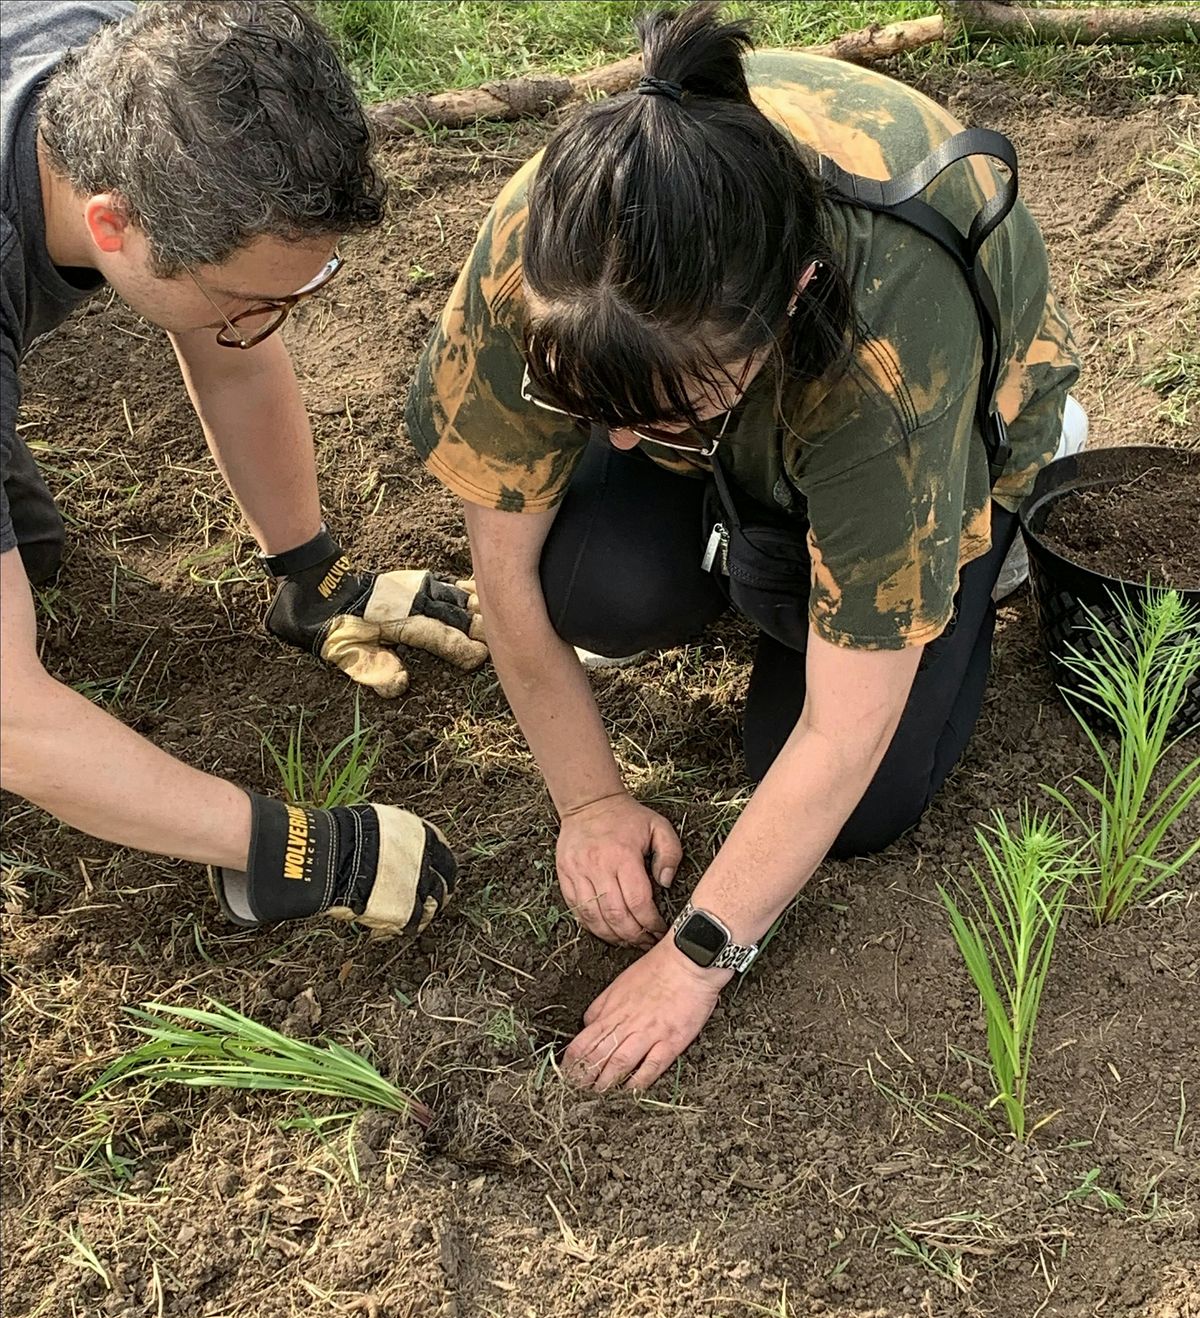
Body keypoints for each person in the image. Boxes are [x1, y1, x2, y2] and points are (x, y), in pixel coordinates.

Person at [406, 2, 1082, 1088]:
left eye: (663, 411)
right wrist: (587, 801)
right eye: (592, 406)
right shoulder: (560, 254)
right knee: (595, 584)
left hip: (927, 422)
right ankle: (746, 535)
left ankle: (966, 538)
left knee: (857, 798)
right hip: (726, 387)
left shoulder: (886, 346)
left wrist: (697, 956)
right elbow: (506, 580)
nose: (618, 440)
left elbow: (845, 728)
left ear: (792, 305)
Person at [1, 1, 486, 937]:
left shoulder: (144, 74)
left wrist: (313, 571)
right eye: (251, 297)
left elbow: (226, 338)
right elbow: (11, 717)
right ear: (112, 225)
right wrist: (282, 847)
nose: (273, 321)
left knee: (34, 553)